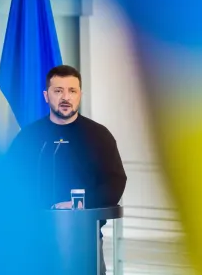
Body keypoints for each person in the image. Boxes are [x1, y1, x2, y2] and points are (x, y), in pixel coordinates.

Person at [7, 65, 127, 275]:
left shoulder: (99, 135)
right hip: (33, 235)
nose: (66, 97)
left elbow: (115, 182)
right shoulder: (28, 137)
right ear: (46, 95)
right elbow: (7, 181)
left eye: (72, 91)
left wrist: (78, 204)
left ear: (80, 94)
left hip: (84, 236)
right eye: (58, 90)